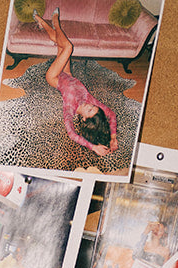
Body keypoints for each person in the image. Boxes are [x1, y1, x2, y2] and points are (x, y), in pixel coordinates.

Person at [35, 9, 117, 161]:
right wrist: (113, 138)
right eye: (93, 106)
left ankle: (55, 20)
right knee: (60, 42)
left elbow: (72, 134)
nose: (90, 105)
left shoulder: (70, 109)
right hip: (68, 73)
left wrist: (93, 147)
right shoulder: (89, 100)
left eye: (89, 109)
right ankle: (42, 23)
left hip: (54, 77)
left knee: (68, 47)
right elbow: (111, 114)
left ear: (84, 119)